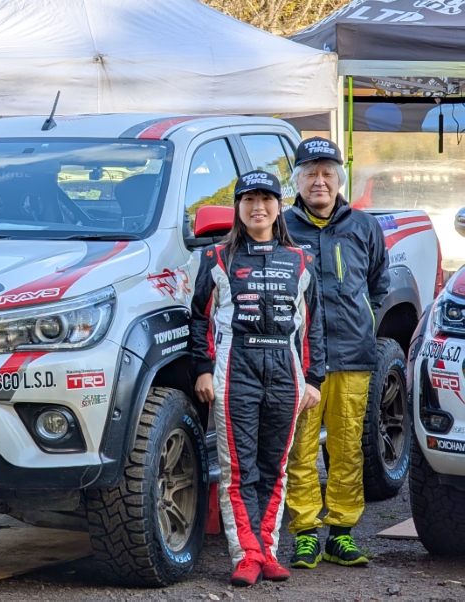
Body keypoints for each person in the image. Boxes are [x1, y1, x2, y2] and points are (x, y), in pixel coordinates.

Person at [191, 170, 325, 587]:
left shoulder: (301, 260)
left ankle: (267, 551)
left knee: (275, 467)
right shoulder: (217, 258)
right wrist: (203, 369)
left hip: (285, 369)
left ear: (279, 206)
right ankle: (246, 554)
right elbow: (199, 318)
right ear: (238, 207)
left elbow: (313, 326)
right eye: (248, 199)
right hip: (236, 367)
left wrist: (314, 379)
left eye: (266, 199)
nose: (258, 207)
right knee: (238, 469)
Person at [284, 137, 390, 569]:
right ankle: (306, 533)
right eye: (310, 173)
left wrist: (362, 318)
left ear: (339, 180)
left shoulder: (363, 226)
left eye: (327, 173)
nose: (320, 181)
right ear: (297, 180)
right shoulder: (283, 228)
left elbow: (379, 283)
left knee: (348, 448)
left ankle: (341, 534)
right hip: (301, 361)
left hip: (352, 357)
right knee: (301, 449)